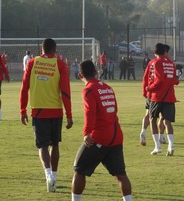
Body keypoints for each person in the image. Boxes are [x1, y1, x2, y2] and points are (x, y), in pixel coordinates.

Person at [71, 60, 132, 201]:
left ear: (80, 76)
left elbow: (89, 112)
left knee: (79, 170)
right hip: (116, 136)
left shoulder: (88, 90)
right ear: (96, 71)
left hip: (99, 137)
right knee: (121, 174)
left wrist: (86, 133)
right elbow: (114, 110)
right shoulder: (108, 88)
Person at [20, 38, 73, 192]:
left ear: (41, 49)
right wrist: (69, 115)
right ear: (54, 50)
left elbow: (24, 88)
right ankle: (54, 177)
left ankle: (48, 175)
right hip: (56, 111)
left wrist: (22, 110)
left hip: (38, 110)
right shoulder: (60, 64)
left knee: (43, 146)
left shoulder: (32, 63)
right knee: (55, 144)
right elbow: (65, 92)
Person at [146, 43, 179, 156]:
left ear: (155, 53)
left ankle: (157, 147)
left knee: (152, 119)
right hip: (169, 96)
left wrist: (149, 88)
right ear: (165, 52)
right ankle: (171, 145)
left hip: (157, 96)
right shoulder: (171, 63)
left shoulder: (156, 63)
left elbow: (159, 80)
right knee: (167, 121)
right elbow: (175, 80)